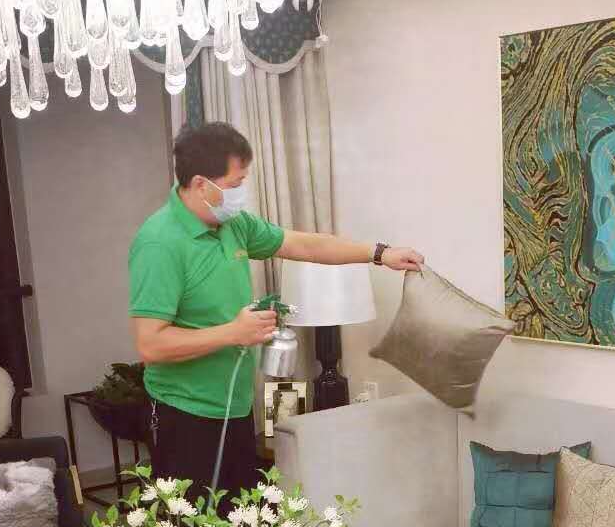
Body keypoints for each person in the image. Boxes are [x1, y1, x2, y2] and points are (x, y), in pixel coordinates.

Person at [130, 122, 423, 506]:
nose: (241, 194)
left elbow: (305, 245)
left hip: (235, 406)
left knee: (245, 524)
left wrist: (380, 254)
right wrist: (233, 333)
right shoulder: (159, 243)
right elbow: (150, 345)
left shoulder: (233, 224)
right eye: (235, 184)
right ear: (201, 184)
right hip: (184, 415)